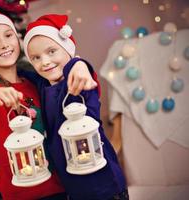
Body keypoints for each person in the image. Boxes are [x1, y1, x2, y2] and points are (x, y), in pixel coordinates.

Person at [0, 10, 96, 200]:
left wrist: (79, 64)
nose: (4, 44)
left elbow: (69, 79)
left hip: (61, 185)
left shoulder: (36, 82)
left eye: (8, 35)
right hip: (22, 193)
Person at [23, 14, 128, 200]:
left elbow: (80, 69)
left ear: (68, 49)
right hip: (74, 188)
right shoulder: (44, 84)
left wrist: (78, 63)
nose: (45, 62)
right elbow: (20, 73)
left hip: (104, 185)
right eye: (36, 58)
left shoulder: (79, 81)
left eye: (52, 51)